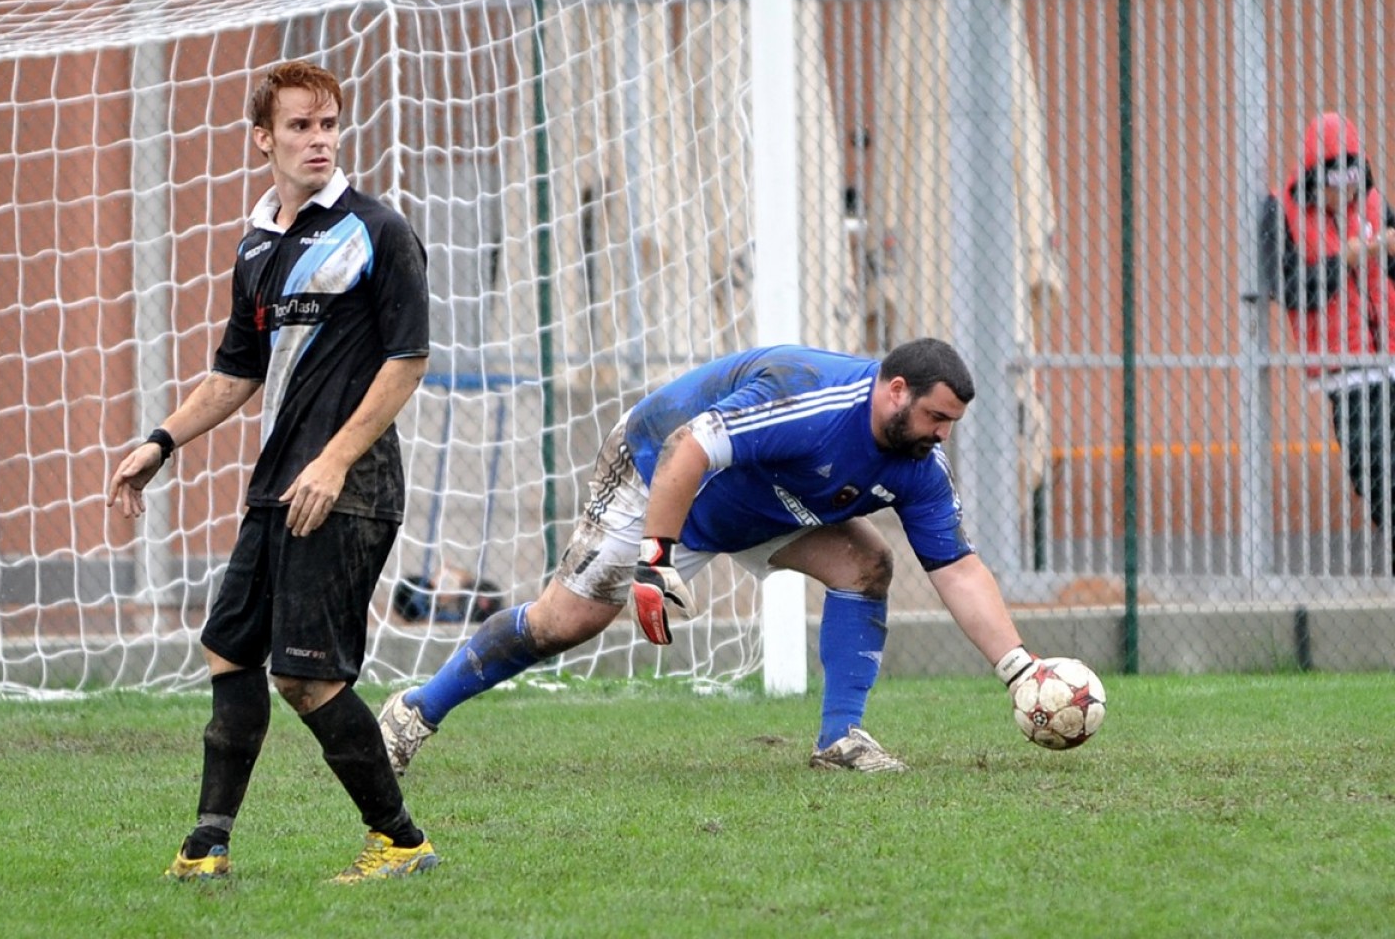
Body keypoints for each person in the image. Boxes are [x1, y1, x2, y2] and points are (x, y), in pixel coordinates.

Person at [379, 338, 1048, 776]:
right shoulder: (806, 397)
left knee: (866, 566)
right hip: (657, 472)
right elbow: (685, 450)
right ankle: (415, 710)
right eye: (936, 418)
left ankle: (840, 740)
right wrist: (653, 561)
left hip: (760, 505)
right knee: (564, 624)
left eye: (949, 425)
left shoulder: (918, 464)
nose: (940, 437)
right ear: (896, 389)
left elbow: (957, 567)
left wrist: (1019, 670)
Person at [107, 59, 438, 883]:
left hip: (346, 488)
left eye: (328, 124)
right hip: (275, 485)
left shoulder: (378, 229)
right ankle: (207, 846)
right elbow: (234, 373)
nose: (318, 140)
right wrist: (159, 442)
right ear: (264, 140)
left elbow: (408, 360)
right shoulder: (256, 244)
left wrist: (332, 460)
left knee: (304, 675)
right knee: (229, 648)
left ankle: (399, 841)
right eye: (300, 126)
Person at [1261, 112, 1395, 568]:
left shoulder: (1376, 205)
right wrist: (1344, 261)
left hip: (1391, 355)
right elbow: (1289, 288)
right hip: (1348, 372)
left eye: (1353, 183)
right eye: (1334, 184)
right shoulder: (1282, 211)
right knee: (1375, 471)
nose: (1346, 194)